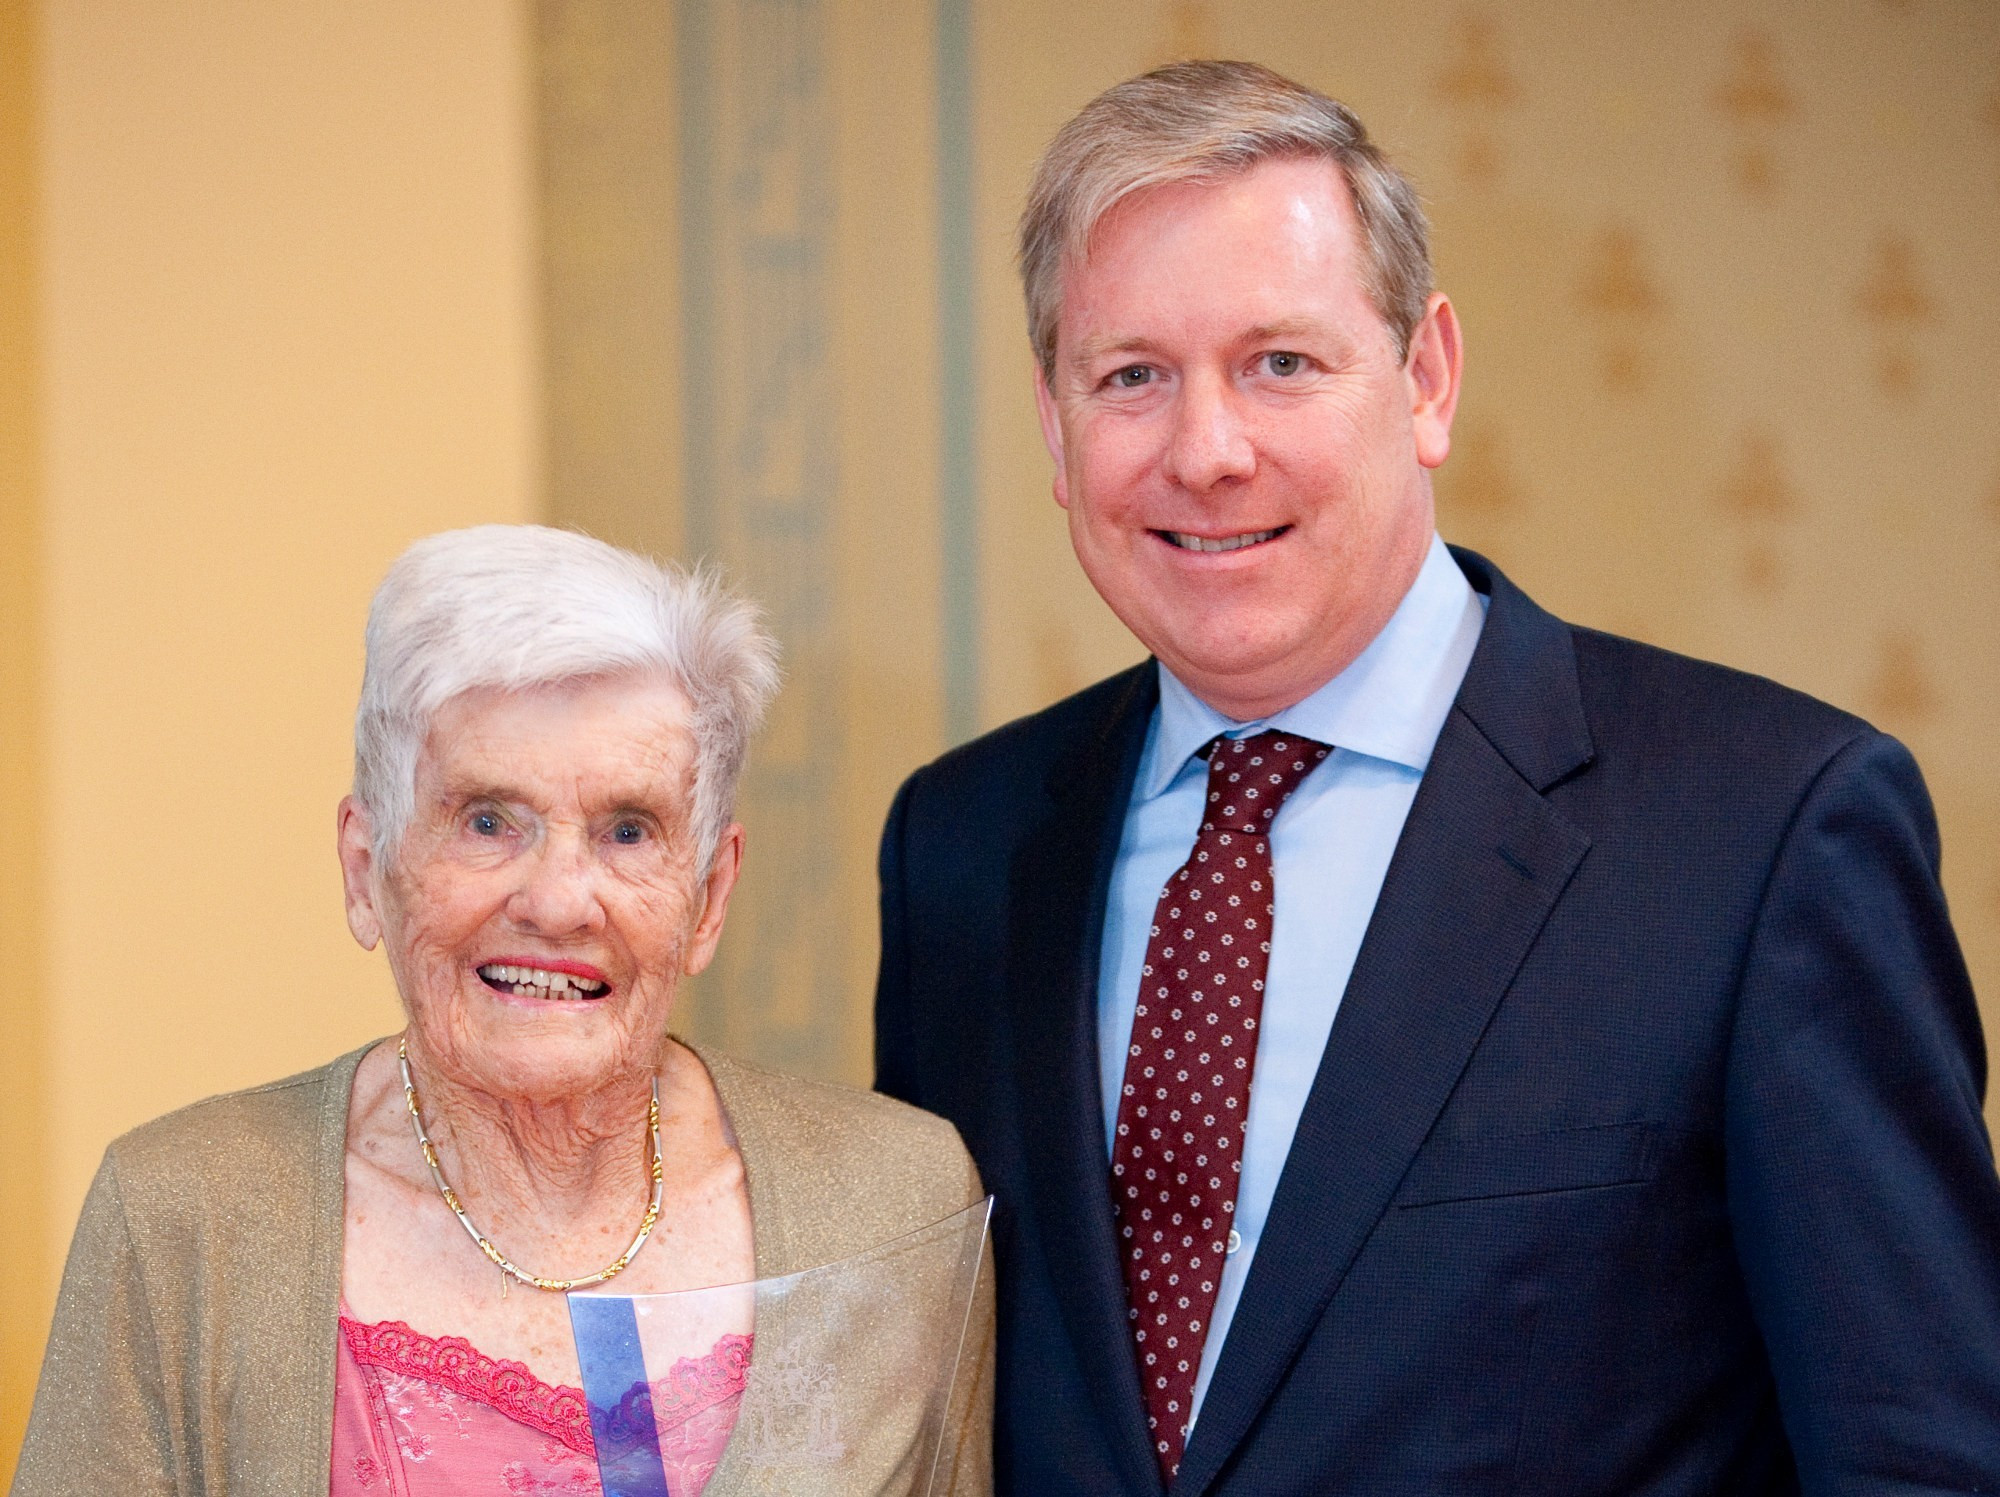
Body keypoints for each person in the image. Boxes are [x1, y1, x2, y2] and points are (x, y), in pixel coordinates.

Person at [874, 59, 2000, 1496]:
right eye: (1131, 377)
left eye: (1281, 362)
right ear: (1053, 424)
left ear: (1426, 378)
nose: (1207, 451)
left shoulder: (1769, 829)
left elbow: (1921, 1457)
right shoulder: (961, 845)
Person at [18, 525, 991, 1497]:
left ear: (710, 896)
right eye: (487, 821)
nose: (559, 898)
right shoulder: (186, 1220)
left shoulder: (895, 1209)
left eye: (626, 830)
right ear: (367, 871)